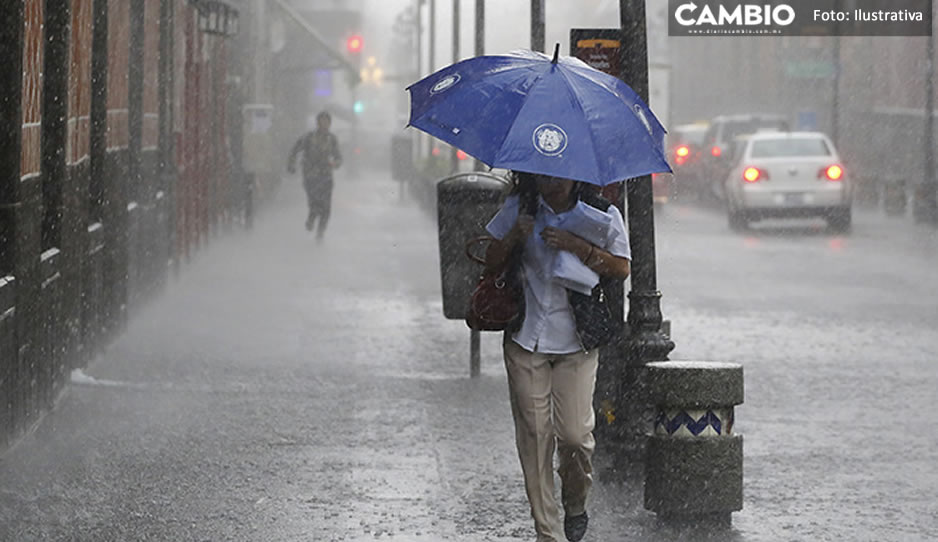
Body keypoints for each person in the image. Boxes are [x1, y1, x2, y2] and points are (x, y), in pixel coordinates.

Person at [483, 171, 631, 542]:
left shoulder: (600, 212)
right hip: (525, 338)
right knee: (535, 436)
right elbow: (489, 261)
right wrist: (516, 234)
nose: (553, 182)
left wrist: (578, 247)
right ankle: (547, 532)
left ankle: (575, 501)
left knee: (576, 437)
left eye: (562, 175)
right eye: (545, 174)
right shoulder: (521, 208)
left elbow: (621, 267)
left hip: (577, 342)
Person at [287, 111, 342, 239]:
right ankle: (311, 217)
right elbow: (295, 149)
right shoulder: (309, 137)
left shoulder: (332, 139)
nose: (324, 124)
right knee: (315, 203)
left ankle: (320, 233)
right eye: (322, 121)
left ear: (330, 123)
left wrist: (336, 163)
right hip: (311, 176)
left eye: (327, 121)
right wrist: (291, 164)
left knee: (326, 208)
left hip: (326, 176)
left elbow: (338, 156)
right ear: (317, 123)